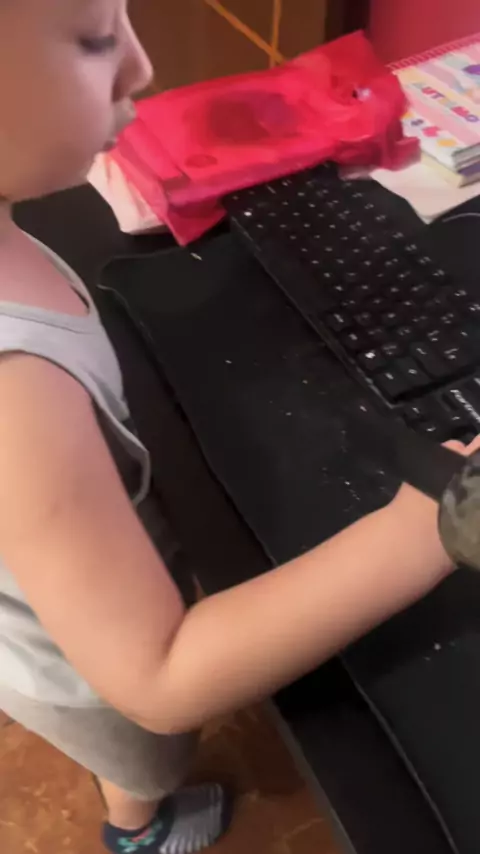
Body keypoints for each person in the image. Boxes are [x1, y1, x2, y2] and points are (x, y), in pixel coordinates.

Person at [0, 2, 476, 853]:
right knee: (143, 761)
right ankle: (138, 829)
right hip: (77, 672)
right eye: (96, 37)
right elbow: (158, 677)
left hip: (68, 583)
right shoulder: (13, 392)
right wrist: (433, 527)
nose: (142, 66)